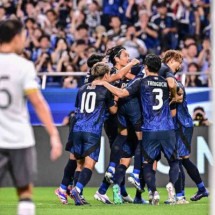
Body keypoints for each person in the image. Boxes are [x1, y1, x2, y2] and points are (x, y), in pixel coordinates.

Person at [93, 54, 180, 205]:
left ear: (146, 67)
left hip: (149, 128)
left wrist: (105, 83)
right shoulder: (165, 82)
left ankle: (153, 191)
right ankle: (171, 185)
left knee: (146, 162)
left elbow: (121, 93)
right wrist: (174, 96)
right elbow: (174, 88)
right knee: (173, 161)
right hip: (167, 128)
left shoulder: (141, 81)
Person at [0, 19, 62, 215]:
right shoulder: (24, 65)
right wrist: (53, 134)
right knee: (25, 191)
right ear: (17, 37)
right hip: (20, 138)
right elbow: (38, 102)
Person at [162, 50, 209, 202]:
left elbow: (174, 112)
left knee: (178, 159)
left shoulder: (173, 82)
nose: (180, 65)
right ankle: (201, 188)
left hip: (181, 124)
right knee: (183, 159)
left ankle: (180, 195)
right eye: (178, 61)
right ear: (169, 60)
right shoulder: (169, 80)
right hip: (181, 125)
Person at [70, 62, 118, 206]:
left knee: (79, 164)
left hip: (77, 128)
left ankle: (79, 195)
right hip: (92, 130)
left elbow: (78, 108)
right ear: (106, 75)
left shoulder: (82, 88)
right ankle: (77, 189)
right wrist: (116, 100)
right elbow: (113, 111)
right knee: (89, 164)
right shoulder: (105, 90)